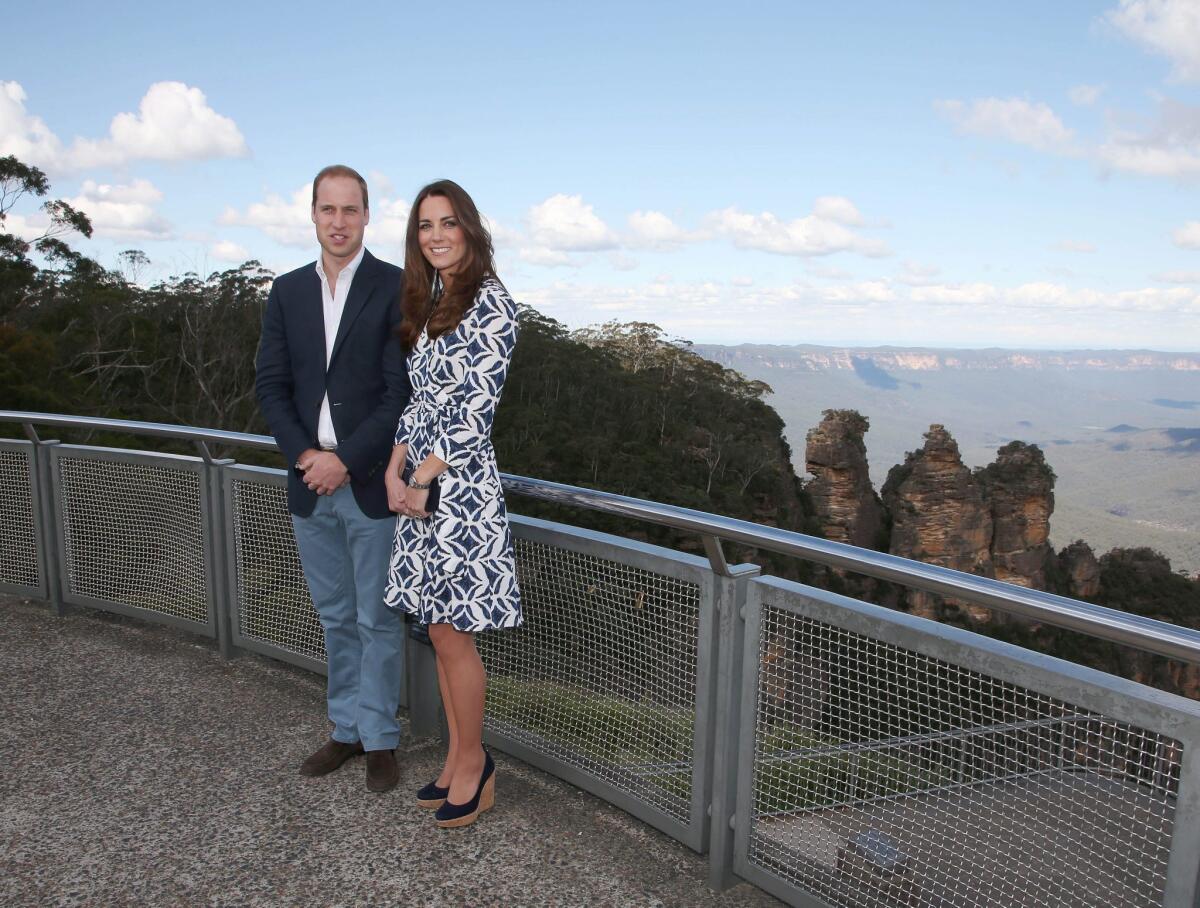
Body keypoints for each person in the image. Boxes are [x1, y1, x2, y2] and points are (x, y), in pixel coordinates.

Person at [255, 164, 410, 793]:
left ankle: (380, 738)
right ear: (313, 215)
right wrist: (305, 456)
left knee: (377, 618)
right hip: (308, 481)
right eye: (329, 210)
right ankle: (344, 729)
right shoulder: (286, 291)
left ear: (367, 216)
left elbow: (400, 393)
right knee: (335, 615)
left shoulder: (396, 287)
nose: (339, 222)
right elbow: (272, 385)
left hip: (367, 480)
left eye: (351, 210)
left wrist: (345, 459)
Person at [383, 179, 521, 829]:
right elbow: (422, 401)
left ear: (469, 228)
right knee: (439, 633)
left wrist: (423, 478)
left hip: (460, 493)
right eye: (425, 226)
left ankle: (475, 766)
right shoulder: (435, 299)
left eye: (447, 223)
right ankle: (457, 758)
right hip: (421, 490)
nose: (435, 235)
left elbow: (473, 414)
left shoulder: (492, 305)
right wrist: (394, 465)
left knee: (454, 635)